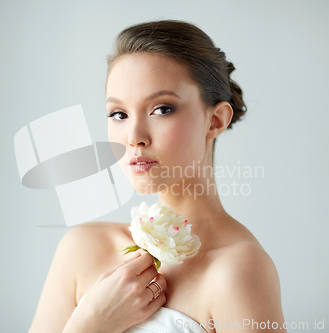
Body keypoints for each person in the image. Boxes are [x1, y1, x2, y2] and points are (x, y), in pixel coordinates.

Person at [28, 19, 286, 333]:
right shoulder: (81, 249)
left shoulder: (238, 270)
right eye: (119, 114)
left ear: (215, 121)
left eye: (162, 109)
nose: (134, 136)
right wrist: (92, 323)